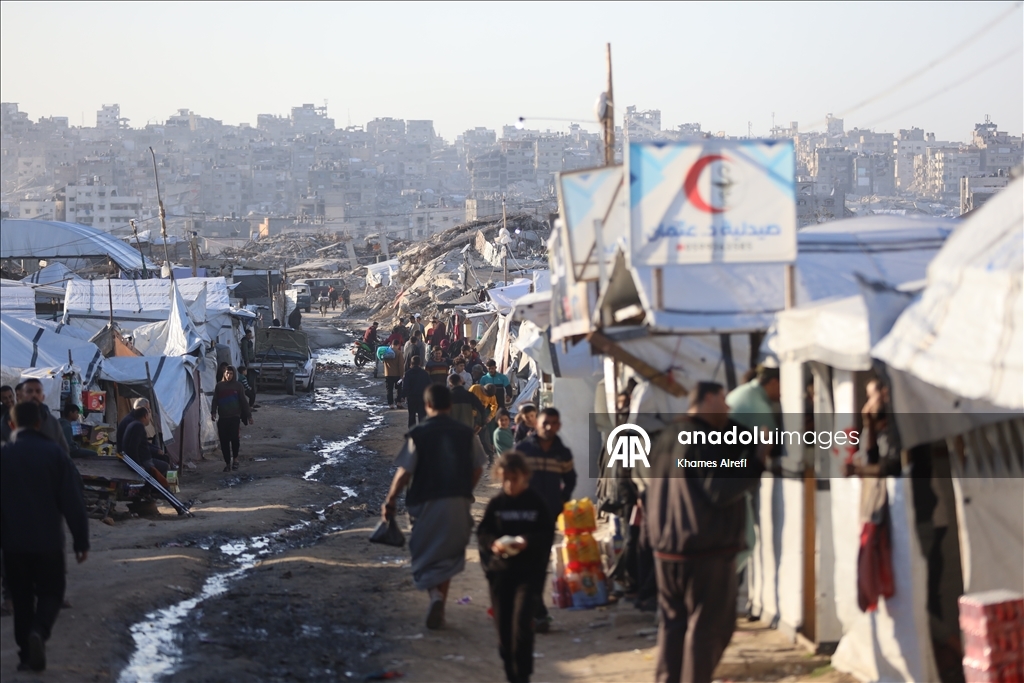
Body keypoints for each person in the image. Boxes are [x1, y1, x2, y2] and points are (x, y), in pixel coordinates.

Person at [646, 381, 765, 683]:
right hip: (704, 551)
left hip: (666, 549)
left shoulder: (668, 436)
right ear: (708, 398)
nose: (727, 408)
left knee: (674, 627)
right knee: (708, 629)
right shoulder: (702, 438)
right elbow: (719, 487)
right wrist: (756, 461)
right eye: (723, 400)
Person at [381, 385, 486, 629]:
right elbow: (479, 467)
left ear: (427, 406)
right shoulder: (466, 433)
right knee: (448, 554)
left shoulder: (419, 433)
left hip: (424, 501)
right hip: (457, 501)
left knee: (426, 551)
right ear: (449, 406)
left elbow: (404, 472)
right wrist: (465, 490)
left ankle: (435, 597)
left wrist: (391, 500)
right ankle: (441, 601)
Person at [1, 401, 90, 672]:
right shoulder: (54, 453)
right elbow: (72, 500)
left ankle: (26, 655)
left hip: (13, 544)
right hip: (48, 540)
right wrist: (81, 540)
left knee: (22, 596)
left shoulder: (3, 456)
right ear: (40, 423)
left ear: (11, 425)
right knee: (51, 592)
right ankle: (39, 631)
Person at [477, 452, 555, 683]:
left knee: (522, 627)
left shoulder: (536, 503)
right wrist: (493, 545)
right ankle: (512, 675)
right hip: (501, 575)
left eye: (515, 478)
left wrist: (526, 541)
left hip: (529, 575)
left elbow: (547, 534)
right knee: (504, 635)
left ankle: (523, 677)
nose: (510, 484)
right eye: (506, 479)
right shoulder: (496, 504)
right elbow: (483, 533)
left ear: (525, 477)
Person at [514, 407, 576, 632]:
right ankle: (535, 611)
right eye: (545, 423)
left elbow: (570, 480)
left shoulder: (562, 453)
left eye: (553, 423)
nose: (549, 427)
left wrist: (561, 502)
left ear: (559, 425)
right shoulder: (523, 450)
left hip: (548, 517)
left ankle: (535, 610)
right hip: (523, 516)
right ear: (536, 425)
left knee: (539, 565)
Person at [211, 365, 253, 472]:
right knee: (224, 441)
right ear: (224, 373)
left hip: (234, 417)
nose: (228, 375)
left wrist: (249, 415)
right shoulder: (219, 386)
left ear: (234, 374)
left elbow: (243, 401)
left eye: (231, 373)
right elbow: (215, 400)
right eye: (227, 373)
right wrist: (213, 412)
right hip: (223, 417)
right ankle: (227, 463)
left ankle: (235, 459)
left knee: (234, 439)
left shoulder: (238, 386)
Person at [121, 407, 172, 484]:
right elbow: (133, 448)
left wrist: (156, 450)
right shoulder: (138, 427)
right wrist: (137, 465)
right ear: (145, 416)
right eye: (149, 415)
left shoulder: (133, 424)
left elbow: (142, 444)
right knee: (165, 466)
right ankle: (151, 489)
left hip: (142, 458)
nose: (149, 418)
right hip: (144, 460)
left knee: (164, 458)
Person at [20, 379, 69, 455]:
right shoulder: (9, 420)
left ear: (43, 397)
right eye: (29, 391)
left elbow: (64, 452)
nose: (34, 395)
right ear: (21, 396)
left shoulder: (52, 422)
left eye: (38, 391)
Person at [470, 383, 499, 457]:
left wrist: (490, 417)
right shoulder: (475, 388)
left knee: (485, 439)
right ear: (483, 389)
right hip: (470, 415)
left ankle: (491, 457)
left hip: (481, 417)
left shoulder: (491, 395)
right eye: (485, 394)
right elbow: (466, 398)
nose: (486, 396)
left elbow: (494, 405)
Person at [402, 356, 431, 427]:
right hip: (422, 397)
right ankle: (422, 432)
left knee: (411, 415)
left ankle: (412, 432)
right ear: (420, 363)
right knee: (422, 415)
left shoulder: (408, 373)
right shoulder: (424, 373)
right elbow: (429, 385)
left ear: (411, 363)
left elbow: (406, 386)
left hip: (411, 397)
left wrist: (403, 395)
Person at [383, 338, 406, 409]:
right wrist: (402, 375)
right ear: (398, 345)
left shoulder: (386, 352)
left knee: (389, 389)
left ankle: (391, 404)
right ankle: (398, 403)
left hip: (388, 374)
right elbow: (401, 365)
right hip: (397, 375)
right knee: (399, 389)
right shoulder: (399, 353)